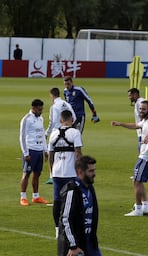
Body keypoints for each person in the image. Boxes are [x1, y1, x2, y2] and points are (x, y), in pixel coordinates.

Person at [111, 100, 148, 216]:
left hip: (146, 156)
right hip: (146, 155)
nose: (141, 111)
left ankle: (138, 209)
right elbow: (136, 125)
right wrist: (120, 123)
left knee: (136, 181)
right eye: (140, 109)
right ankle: (145, 206)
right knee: (139, 181)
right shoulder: (145, 120)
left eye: (143, 109)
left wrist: (146, 138)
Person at [58, 155, 101, 256]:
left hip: (90, 244)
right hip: (75, 247)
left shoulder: (90, 188)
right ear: (80, 172)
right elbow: (65, 219)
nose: (94, 174)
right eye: (90, 171)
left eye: (94, 170)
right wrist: (72, 246)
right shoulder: (72, 190)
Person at [48, 110, 82, 238]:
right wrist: (80, 171)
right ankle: (71, 228)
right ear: (72, 120)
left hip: (56, 173)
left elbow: (51, 156)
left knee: (57, 201)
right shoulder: (75, 133)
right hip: (70, 172)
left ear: (61, 121)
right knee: (73, 201)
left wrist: (51, 172)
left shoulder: (53, 134)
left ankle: (57, 229)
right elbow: (78, 153)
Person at [19, 99, 49, 206]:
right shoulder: (26, 119)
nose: (41, 111)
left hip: (39, 150)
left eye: (42, 109)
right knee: (26, 173)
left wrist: (45, 150)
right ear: (33, 108)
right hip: (30, 150)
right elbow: (22, 137)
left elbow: (42, 135)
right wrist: (25, 153)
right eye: (39, 109)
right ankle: (23, 197)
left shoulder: (40, 118)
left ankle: (36, 196)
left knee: (37, 174)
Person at [45, 87, 76, 184]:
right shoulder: (67, 104)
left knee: (52, 153)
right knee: (69, 153)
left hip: (57, 132)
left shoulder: (54, 107)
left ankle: (52, 176)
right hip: (69, 130)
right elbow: (74, 117)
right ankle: (69, 173)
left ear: (52, 95)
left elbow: (52, 122)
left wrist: (46, 134)